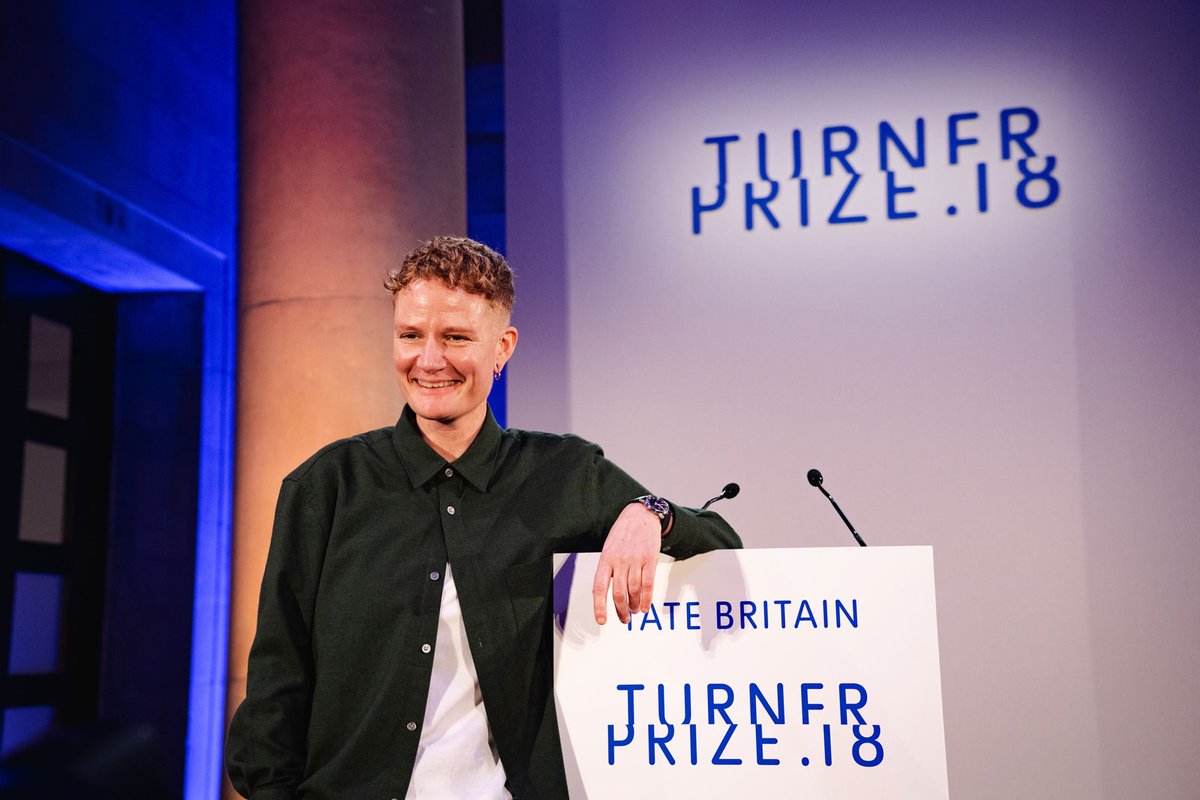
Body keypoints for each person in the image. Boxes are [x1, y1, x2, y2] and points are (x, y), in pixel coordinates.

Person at [225, 236, 741, 799]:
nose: (428, 360)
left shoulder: (563, 472)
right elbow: (280, 678)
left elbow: (719, 541)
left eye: (455, 338)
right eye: (410, 336)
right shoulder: (326, 485)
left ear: (503, 347)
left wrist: (650, 513)